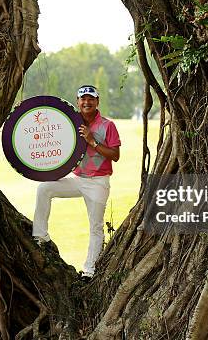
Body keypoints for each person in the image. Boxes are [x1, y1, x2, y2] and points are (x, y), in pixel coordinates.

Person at [32, 85, 121, 279]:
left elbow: (115, 155)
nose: (86, 102)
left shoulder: (108, 125)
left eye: (91, 99)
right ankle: (40, 236)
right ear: (78, 102)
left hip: (98, 182)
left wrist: (92, 141)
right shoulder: (70, 123)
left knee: (95, 226)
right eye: (83, 99)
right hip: (77, 179)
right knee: (44, 188)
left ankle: (89, 271)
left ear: (97, 102)